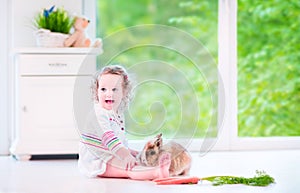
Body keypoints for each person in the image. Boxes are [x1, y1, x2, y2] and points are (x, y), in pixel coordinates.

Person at [78, 64, 171, 180]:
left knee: (135, 160)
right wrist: (126, 155)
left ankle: (159, 167)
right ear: (96, 91)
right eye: (103, 89)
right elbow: (109, 138)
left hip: (110, 153)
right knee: (128, 167)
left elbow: (119, 140)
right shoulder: (98, 114)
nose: (109, 93)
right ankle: (156, 173)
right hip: (98, 159)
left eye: (115, 89)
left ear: (124, 92)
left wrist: (132, 153)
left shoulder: (117, 113)